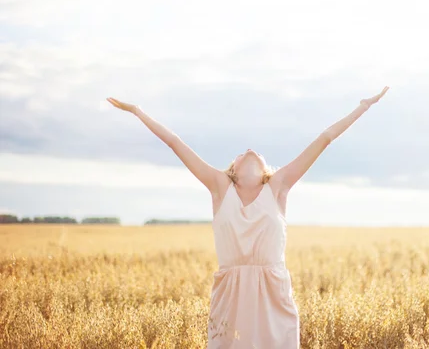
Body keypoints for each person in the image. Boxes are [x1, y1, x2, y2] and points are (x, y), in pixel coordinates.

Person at [106, 85, 389, 348]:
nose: (250, 150)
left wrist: (363, 106)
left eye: (255, 153)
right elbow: (174, 142)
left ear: (265, 167)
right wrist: (137, 111)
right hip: (231, 295)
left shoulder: (278, 187)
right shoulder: (219, 187)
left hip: (273, 295)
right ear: (233, 169)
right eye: (241, 153)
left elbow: (324, 138)